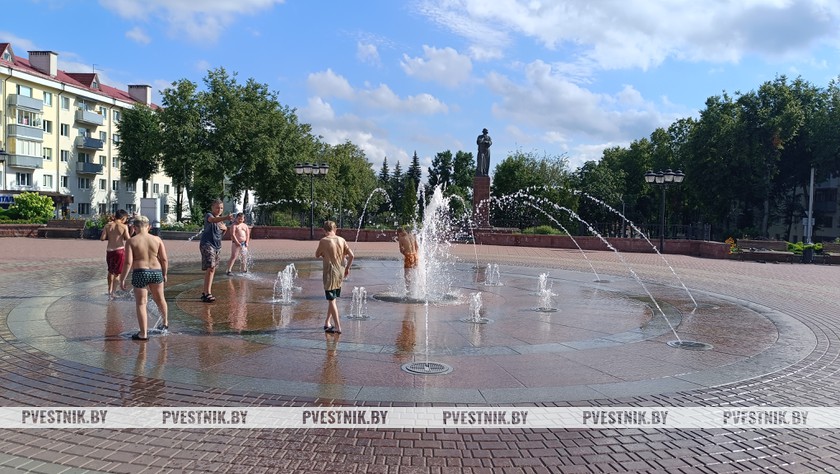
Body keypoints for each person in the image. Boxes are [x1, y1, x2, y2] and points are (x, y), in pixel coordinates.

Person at [119, 215, 169, 341]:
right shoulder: (157, 239)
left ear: (134, 228)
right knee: (160, 299)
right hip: (156, 272)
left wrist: (122, 278)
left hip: (140, 272)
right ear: (149, 227)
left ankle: (143, 333)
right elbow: (164, 259)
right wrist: (164, 273)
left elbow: (128, 262)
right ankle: (165, 323)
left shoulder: (131, 241)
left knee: (141, 303)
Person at [315, 220, 354, 334]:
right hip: (340, 272)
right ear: (335, 229)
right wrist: (347, 268)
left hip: (329, 273)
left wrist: (325, 253)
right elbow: (352, 255)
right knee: (333, 299)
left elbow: (317, 255)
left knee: (331, 299)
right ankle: (327, 322)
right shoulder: (342, 240)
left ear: (324, 230)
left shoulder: (324, 241)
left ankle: (338, 327)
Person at [199, 199, 233, 303]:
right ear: (212, 208)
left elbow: (219, 235)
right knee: (211, 267)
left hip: (217, 246)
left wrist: (225, 229)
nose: (219, 210)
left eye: (221, 208)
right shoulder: (209, 215)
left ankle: (205, 292)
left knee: (212, 269)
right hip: (207, 244)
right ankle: (207, 293)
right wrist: (226, 218)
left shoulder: (221, 221)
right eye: (217, 207)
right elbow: (212, 220)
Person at [100, 209, 131, 299]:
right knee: (117, 273)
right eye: (126, 219)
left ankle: (109, 290)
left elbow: (102, 238)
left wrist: (110, 235)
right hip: (119, 250)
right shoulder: (124, 226)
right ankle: (113, 292)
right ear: (123, 218)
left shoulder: (107, 225)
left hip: (109, 250)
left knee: (110, 271)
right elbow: (128, 239)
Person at [396, 226, 418, 292]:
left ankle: (408, 290)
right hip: (415, 255)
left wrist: (405, 254)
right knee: (415, 272)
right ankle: (416, 288)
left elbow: (401, 250)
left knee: (407, 274)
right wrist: (415, 254)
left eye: (398, 234)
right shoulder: (412, 236)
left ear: (400, 233)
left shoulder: (401, 238)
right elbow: (417, 247)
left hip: (408, 256)